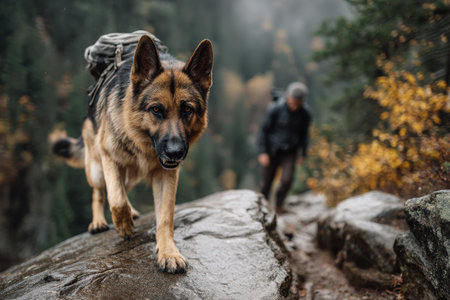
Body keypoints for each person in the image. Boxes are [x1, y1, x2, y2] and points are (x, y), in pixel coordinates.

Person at [257, 82, 311, 213]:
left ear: (302, 101)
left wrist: (303, 153)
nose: (294, 106)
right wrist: (263, 152)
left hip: (290, 152)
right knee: (266, 183)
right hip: (272, 150)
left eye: (297, 104)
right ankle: (262, 207)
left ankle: (279, 205)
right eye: (292, 102)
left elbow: (305, 134)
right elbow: (263, 130)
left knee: (287, 181)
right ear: (287, 97)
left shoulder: (305, 114)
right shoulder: (275, 108)